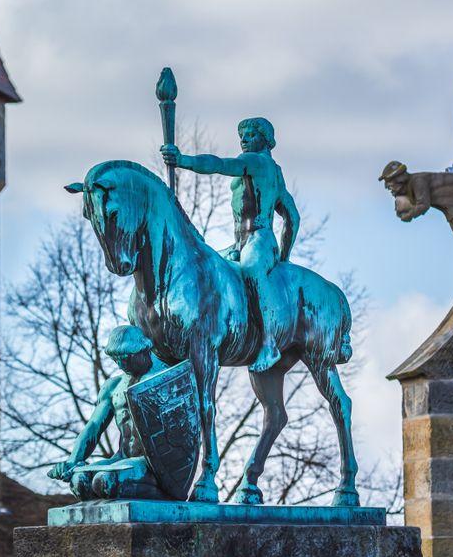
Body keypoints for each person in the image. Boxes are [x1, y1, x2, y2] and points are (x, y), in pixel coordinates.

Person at [160, 117, 299, 371]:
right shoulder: (274, 172)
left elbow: (219, 164)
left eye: (250, 134)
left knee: (252, 271)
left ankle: (269, 343)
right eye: (241, 135)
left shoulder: (256, 162)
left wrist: (184, 161)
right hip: (240, 242)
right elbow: (292, 217)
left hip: (259, 239)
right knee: (207, 264)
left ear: (265, 139)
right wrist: (286, 252)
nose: (244, 139)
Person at [47, 325, 169, 500]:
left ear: (143, 350)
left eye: (126, 358)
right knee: (79, 481)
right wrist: (73, 460)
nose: (121, 365)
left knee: (105, 481)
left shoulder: (165, 379)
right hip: (122, 458)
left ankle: (162, 494)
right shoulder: (113, 386)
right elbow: (94, 426)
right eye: (116, 359)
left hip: (153, 464)